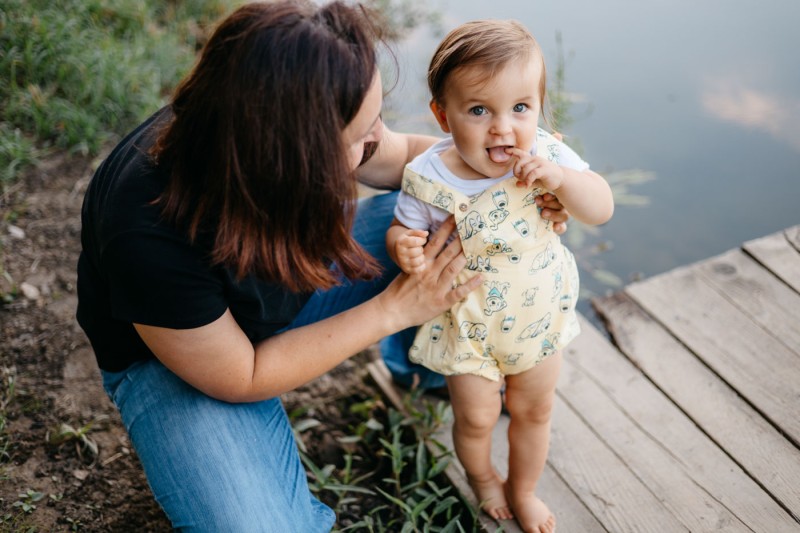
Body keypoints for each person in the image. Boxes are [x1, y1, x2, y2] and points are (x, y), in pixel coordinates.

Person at [76, 2, 570, 531]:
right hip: (191, 362)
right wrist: (395, 309)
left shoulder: (277, 117)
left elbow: (408, 155)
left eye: (376, 117)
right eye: (361, 136)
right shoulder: (146, 231)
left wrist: (514, 185)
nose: (378, 139)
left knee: (453, 226)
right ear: (292, 155)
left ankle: (423, 368)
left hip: (279, 271)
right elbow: (241, 375)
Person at [386, 19, 614, 532]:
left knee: (534, 410)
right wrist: (402, 244)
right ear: (443, 115)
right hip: (465, 326)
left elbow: (600, 207)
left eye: (520, 108)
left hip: (536, 319)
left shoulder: (549, 158)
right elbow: (405, 226)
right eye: (478, 110)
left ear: (537, 108)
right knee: (476, 419)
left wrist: (564, 181)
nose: (502, 128)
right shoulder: (429, 174)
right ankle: (484, 478)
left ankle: (525, 488)